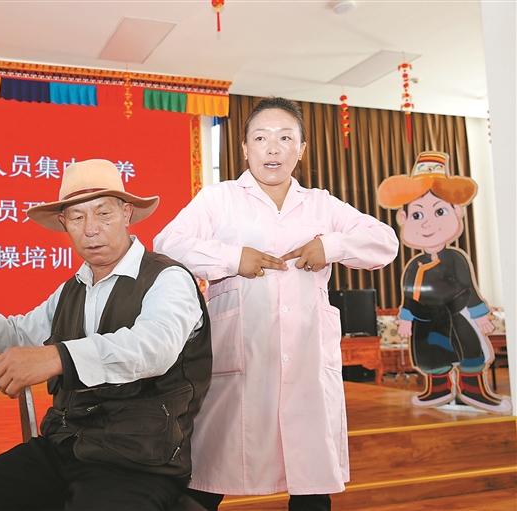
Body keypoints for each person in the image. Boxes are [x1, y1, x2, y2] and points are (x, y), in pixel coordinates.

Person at [0, 159, 212, 511]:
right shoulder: (73, 288)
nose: (91, 229)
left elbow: (153, 348)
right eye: (78, 218)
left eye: (103, 214)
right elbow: (22, 332)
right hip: (69, 445)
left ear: (126, 213)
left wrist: (58, 357)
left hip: (140, 459)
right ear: (64, 223)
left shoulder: (168, 278)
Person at [153, 97, 399, 511]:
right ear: (244, 148)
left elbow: (384, 243)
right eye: (261, 138)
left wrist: (330, 246)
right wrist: (233, 258)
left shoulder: (321, 204)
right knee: (210, 475)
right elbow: (167, 245)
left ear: (301, 150)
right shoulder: (219, 199)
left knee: (310, 482)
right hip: (240, 357)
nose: (273, 148)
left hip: (305, 359)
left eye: (286, 138)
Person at [377, 151, 510, 413]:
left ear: (457, 212)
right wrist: (406, 319)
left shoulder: (456, 258)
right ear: (403, 219)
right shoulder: (413, 265)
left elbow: (469, 288)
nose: (428, 223)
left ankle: (474, 390)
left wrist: (479, 314)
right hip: (425, 322)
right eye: (417, 215)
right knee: (432, 356)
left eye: (439, 211)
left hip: (457, 316)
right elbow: (409, 295)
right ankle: (438, 389)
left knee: (469, 352)